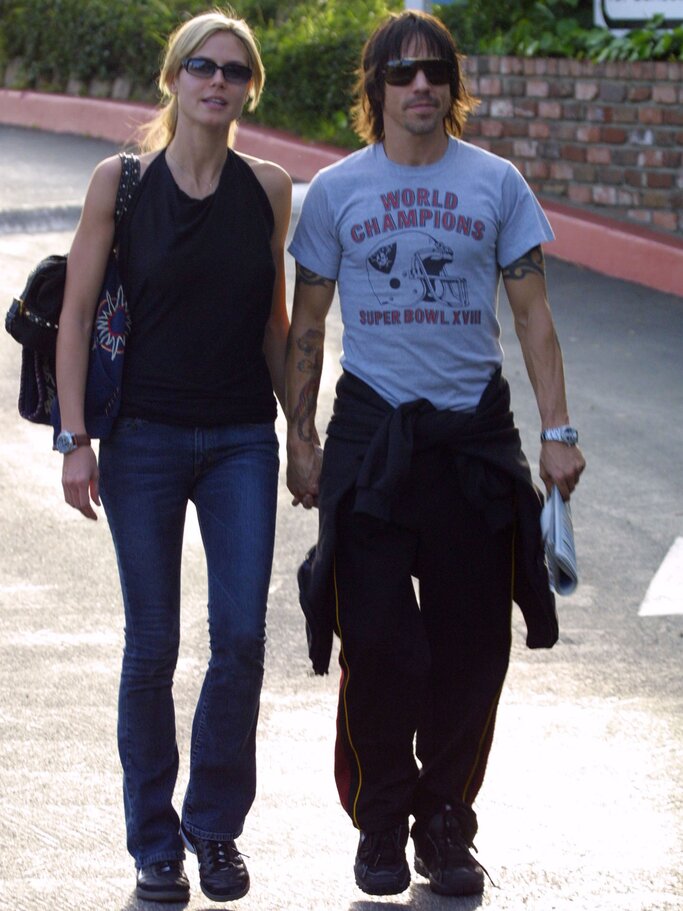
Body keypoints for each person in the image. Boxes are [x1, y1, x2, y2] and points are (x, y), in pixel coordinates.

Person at [285, 8, 585, 899]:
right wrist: (299, 438)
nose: (420, 85)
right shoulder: (336, 191)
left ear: (452, 88)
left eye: (435, 72)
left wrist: (557, 433)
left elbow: (532, 318)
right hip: (373, 440)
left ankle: (445, 824)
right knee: (377, 643)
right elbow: (307, 325)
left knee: (470, 648)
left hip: (472, 446)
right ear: (374, 89)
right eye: (402, 72)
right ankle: (380, 822)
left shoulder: (496, 185)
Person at [55, 9, 291, 904]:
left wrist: (298, 432)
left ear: (248, 87)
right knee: (151, 645)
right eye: (201, 65)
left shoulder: (267, 188)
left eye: (234, 70)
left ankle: (215, 828)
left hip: (240, 441)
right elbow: (75, 318)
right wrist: (77, 440)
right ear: (173, 78)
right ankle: (155, 843)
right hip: (142, 441)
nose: (217, 81)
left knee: (239, 639)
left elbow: (272, 326)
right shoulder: (118, 184)